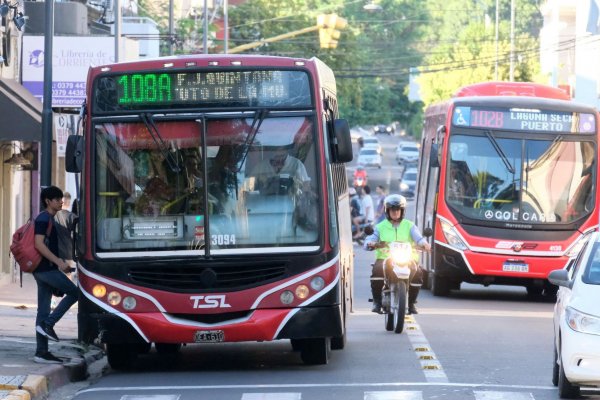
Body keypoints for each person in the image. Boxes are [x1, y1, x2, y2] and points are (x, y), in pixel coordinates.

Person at [33, 186, 78, 364]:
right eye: (57, 199)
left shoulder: (50, 218)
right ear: (47, 201)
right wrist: (59, 263)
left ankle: (41, 352)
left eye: (61, 198)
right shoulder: (44, 218)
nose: (61, 201)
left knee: (42, 310)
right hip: (46, 269)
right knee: (75, 292)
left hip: (44, 269)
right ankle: (49, 324)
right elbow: (39, 244)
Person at [364, 194, 430, 314]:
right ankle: (377, 302)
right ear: (387, 211)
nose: (395, 212)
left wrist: (424, 244)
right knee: (377, 270)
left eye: (397, 209)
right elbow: (369, 239)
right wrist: (370, 243)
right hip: (385, 258)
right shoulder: (380, 227)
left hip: (407, 258)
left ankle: (411, 303)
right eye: (392, 210)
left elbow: (419, 238)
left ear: (402, 211)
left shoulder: (410, 226)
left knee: (418, 272)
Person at [51, 192, 78, 309]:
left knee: (54, 277)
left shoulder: (52, 214)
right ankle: (66, 299)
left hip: (53, 252)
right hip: (67, 252)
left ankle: (52, 300)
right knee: (67, 276)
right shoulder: (70, 216)